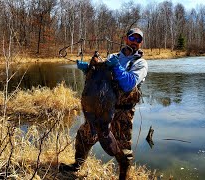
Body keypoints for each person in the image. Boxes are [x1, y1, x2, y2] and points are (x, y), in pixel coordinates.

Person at [60, 28, 148, 179]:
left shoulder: (140, 63)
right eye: (132, 38)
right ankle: (76, 166)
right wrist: (88, 70)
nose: (134, 42)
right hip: (100, 108)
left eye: (138, 40)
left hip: (122, 112)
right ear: (126, 39)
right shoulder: (112, 56)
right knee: (84, 135)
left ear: (141, 43)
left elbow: (129, 84)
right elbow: (100, 79)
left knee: (122, 149)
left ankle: (123, 177)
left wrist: (116, 66)